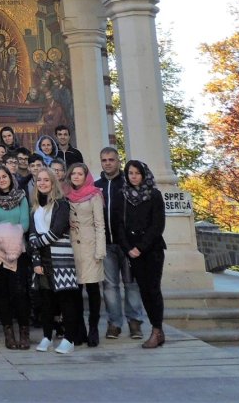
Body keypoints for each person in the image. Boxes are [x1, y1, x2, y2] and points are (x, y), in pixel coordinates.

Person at [28, 166, 81, 354]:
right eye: (39, 180)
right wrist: (35, 261)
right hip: (42, 260)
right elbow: (31, 233)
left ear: (53, 183)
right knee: (46, 301)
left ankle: (69, 339)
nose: (42, 183)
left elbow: (57, 231)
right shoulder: (34, 207)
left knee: (66, 299)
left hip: (60, 258)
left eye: (46, 180)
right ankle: (47, 336)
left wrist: (36, 243)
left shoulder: (61, 204)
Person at [95, 146, 146, 339]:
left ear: (118, 161)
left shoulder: (128, 184)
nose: (108, 163)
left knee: (131, 284)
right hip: (106, 244)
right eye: (104, 160)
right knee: (110, 286)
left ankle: (135, 322)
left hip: (128, 245)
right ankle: (114, 323)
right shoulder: (96, 185)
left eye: (111, 160)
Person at [119, 160, 167, 349]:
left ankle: (157, 329)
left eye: (137, 173)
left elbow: (158, 224)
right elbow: (119, 224)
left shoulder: (154, 195)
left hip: (151, 250)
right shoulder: (122, 196)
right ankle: (156, 329)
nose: (134, 176)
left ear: (144, 174)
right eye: (130, 173)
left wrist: (141, 246)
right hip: (132, 251)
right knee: (143, 291)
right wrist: (127, 248)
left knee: (153, 290)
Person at [0, 165, 31, 350]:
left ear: (10, 178)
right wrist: (7, 232)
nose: (2, 180)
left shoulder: (21, 198)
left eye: (5, 176)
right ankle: (9, 334)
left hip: (18, 252)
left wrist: (3, 230)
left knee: (19, 293)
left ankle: (24, 333)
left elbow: (24, 224)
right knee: (2, 294)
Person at [66, 162, 106, 347]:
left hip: (90, 248)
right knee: (75, 292)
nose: (76, 177)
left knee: (92, 290)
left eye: (80, 174)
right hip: (72, 248)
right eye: (73, 173)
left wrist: (100, 251)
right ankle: (80, 330)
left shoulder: (94, 195)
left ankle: (94, 328)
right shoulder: (66, 196)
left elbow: (100, 225)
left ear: (85, 176)